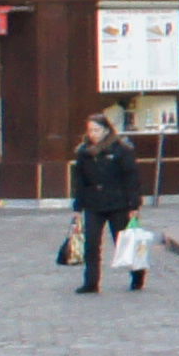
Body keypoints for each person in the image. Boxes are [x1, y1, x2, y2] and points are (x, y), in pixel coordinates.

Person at [66, 114, 147, 293]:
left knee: (123, 242)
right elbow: (80, 181)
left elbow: (131, 178)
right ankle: (91, 282)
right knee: (91, 244)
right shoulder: (84, 152)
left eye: (97, 130)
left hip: (118, 203)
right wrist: (77, 207)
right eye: (90, 130)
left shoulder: (121, 150)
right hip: (93, 204)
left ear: (106, 130)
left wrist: (134, 205)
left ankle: (137, 274)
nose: (93, 134)